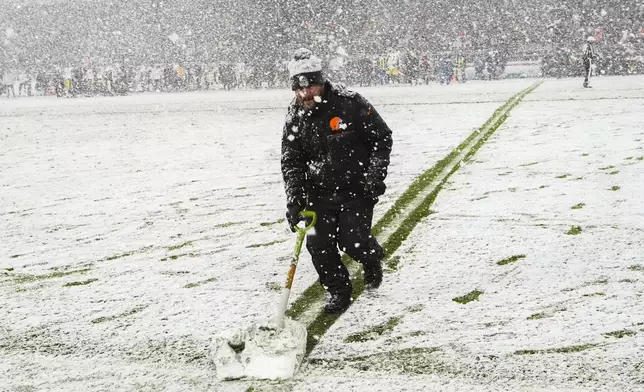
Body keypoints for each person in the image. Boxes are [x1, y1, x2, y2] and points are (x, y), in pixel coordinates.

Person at [281, 48, 393, 314]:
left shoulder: (350, 103)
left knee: (353, 241)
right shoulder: (295, 114)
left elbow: (382, 138)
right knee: (318, 245)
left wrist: (374, 177)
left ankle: (370, 256)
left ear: (321, 81)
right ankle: (338, 291)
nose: (305, 95)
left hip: (356, 189)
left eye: (310, 87)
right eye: (299, 89)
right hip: (317, 195)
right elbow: (291, 160)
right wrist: (295, 199)